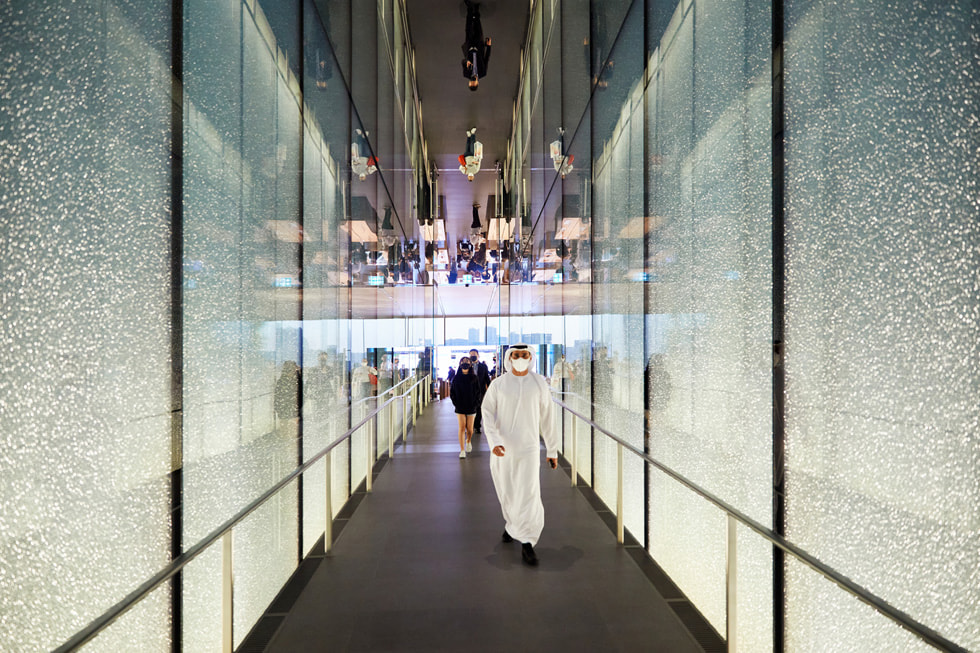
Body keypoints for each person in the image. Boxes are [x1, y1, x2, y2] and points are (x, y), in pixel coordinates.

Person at [482, 344, 559, 566]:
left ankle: (527, 541)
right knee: (507, 490)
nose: (520, 358)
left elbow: (548, 418)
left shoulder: (539, 384)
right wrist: (494, 441)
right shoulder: (499, 384)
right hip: (503, 449)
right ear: (509, 358)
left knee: (528, 493)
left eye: (524, 355)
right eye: (516, 355)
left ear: (531, 357)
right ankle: (511, 525)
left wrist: (551, 450)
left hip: (529, 449)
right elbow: (486, 413)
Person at [450, 357, 482, 458]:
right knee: (462, 427)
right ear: (460, 364)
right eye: (463, 362)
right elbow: (452, 393)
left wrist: (476, 404)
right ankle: (462, 450)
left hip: (472, 406)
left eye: (467, 362)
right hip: (460, 406)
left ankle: (468, 441)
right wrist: (456, 403)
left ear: (470, 364)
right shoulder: (456, 378)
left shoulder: (474, 378)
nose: (465, 364)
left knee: (470, 429)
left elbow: (478, 392)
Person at [461, 0, 491, 91]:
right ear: (478, 83)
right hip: (479, 47)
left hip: (470, 46)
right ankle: (476, 11)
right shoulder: (483, 73)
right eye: (474, 83)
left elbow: (462, 62)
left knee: (468, 29)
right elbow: (486, 58)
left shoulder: (466, 74)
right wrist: (488, 46)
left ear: (469, 82)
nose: (473, 81)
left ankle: (470, 9)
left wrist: (467, 63)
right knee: (478, 29)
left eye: (471, 83)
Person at [468, 348, 490, 433]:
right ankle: (470, 426)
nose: (473, 356)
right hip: (469, 392)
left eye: (474, 354)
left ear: (478, 355)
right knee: (469, 409)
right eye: (471, 354)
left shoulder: (483, 367)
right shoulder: (467, 366)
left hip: (480, 391)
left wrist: (490, 389)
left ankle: (477, 426)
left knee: (479, 409)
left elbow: (487, 379)